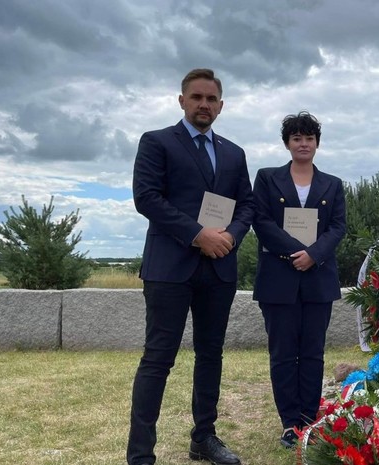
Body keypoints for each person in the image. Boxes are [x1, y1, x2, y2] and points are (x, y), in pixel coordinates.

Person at [127, 68, 253, 465]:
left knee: (210, 354)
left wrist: (230, 236)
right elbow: (147, 197)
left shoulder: (234, 153)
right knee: (157, 359)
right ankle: (141, 455)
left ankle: (204, 438)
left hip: (218, 268)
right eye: (196, 97)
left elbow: (247, 205)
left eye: (211, 99)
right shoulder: (157, 142)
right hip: (170, 268)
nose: (204, 104)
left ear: (221, 105)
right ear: (182, 101)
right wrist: (199, 235)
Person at [252, 111, 346, 448]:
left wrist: (314, 255)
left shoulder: (333, 184)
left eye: (309, 138)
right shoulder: (267, 178)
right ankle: (290, 423)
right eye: (296, 138)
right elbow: (261, 220)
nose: (303, 143)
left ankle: (309, 420)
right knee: (282, 353)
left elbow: (338, 226)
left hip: (318, 278)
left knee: (312, 352)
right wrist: (297, 252)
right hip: (278, 278)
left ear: (317, 143)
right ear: (287, 143)